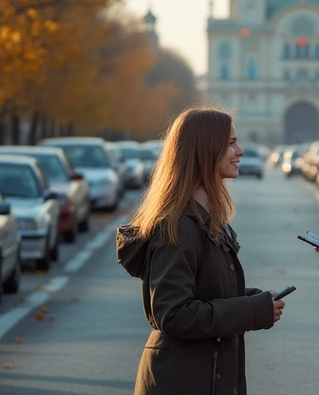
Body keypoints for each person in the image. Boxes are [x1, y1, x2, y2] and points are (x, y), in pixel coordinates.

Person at [116, 106, 284, 395]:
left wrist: (252, 299)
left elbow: (202, 293)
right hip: (182, 381)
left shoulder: (204, 217)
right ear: (205, 150)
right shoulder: (179, 226)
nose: (240, 151)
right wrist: (251, 310)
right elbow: (174, 313)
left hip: (201, 376)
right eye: (231, 144)